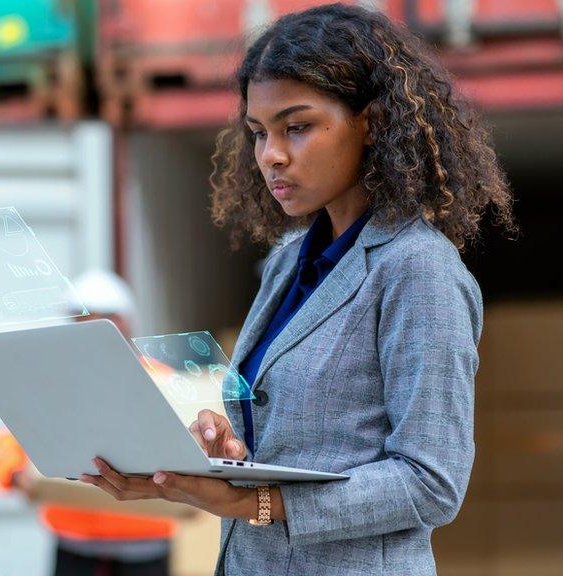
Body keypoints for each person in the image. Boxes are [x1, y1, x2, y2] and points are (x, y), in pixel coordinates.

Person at [81, 4, 515, 575]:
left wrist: (254, 501)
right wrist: (220, 451)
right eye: (259, 133)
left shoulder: (417, 268)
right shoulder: (289, 261)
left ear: (373, 121)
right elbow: (290, 439)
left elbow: (430, 482)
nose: (270, 155)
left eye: (298, 127)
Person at [0, 269, 178, 576]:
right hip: (75, 542)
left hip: (145, 541)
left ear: (124, 322)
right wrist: (13, 472)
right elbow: (10, 438)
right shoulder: (51, 383)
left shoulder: (161, 381)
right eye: (81, 318)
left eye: (102, 318)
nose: (88, 327)